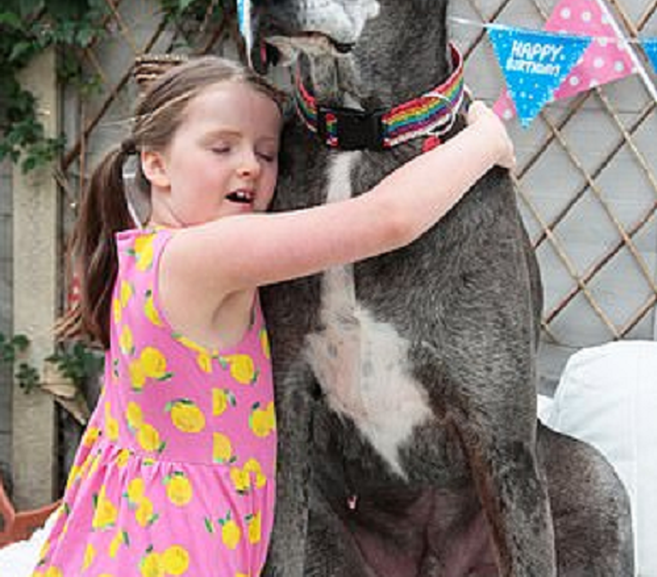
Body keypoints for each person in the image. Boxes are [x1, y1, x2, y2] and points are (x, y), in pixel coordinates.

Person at [33, 55, 515, 577]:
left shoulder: (146, 253)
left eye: (267, 153)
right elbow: (387, 218)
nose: (250, 166)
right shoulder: (208, 254)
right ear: (155, 164)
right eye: (222, 147)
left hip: (126, 530)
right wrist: (483, 141)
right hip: (182, 544)